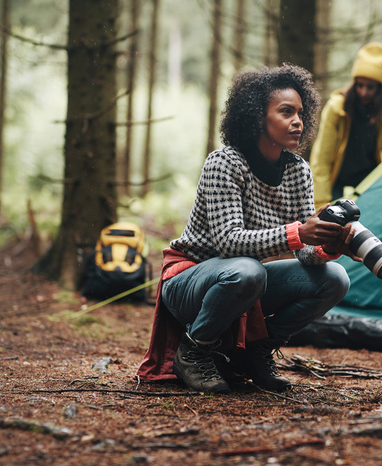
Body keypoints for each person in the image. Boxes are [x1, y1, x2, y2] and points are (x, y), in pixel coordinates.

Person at [136, 64, 361, 394]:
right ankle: (194, 351)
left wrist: (329, 243)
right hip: (190, 280)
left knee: (335, 278)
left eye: (300, 113)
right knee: (247, 271)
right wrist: (299, 231)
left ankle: (257, 353)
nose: (297, 121)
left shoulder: (298, 171)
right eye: (286, 112)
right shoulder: (224, 163)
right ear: (258, 116)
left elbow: (307, 255)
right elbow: (228, 242)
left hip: (244, 281)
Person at [310, 42, 382, 208]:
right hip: (337, 176)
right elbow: (322, 157)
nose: (363, 92)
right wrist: (321, 201)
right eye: (360, 85)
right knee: (334, 224)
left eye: (370, 87)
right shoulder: (337, 109)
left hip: (368, 177)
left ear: (380, 89)